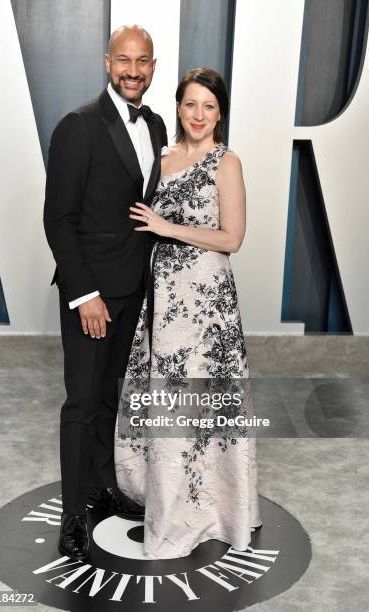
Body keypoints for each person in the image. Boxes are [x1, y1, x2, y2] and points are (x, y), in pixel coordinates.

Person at [115, 67, 262, 559]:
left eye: (209, 107)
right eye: (190, 104)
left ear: (220, 113)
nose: (198, 115)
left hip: (207, 307)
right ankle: (170, 509)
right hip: (163, 299)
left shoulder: (227, 162)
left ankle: (217, 512)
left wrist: (166, 226)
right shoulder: (161, 157)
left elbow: (232, 239)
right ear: (177, 107)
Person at [43, 25, 167, 561]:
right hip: (92, 294)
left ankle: (102, 487)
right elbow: (59, 219)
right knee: (82, 403)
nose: (132, 70)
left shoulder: (159, 125)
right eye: (123, 60)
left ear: (154, 66)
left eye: (142, 61)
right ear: (107, 62)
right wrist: (84, 294)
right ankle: (73, 516)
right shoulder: (79, 126)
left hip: (136, 287)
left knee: (113, 400)